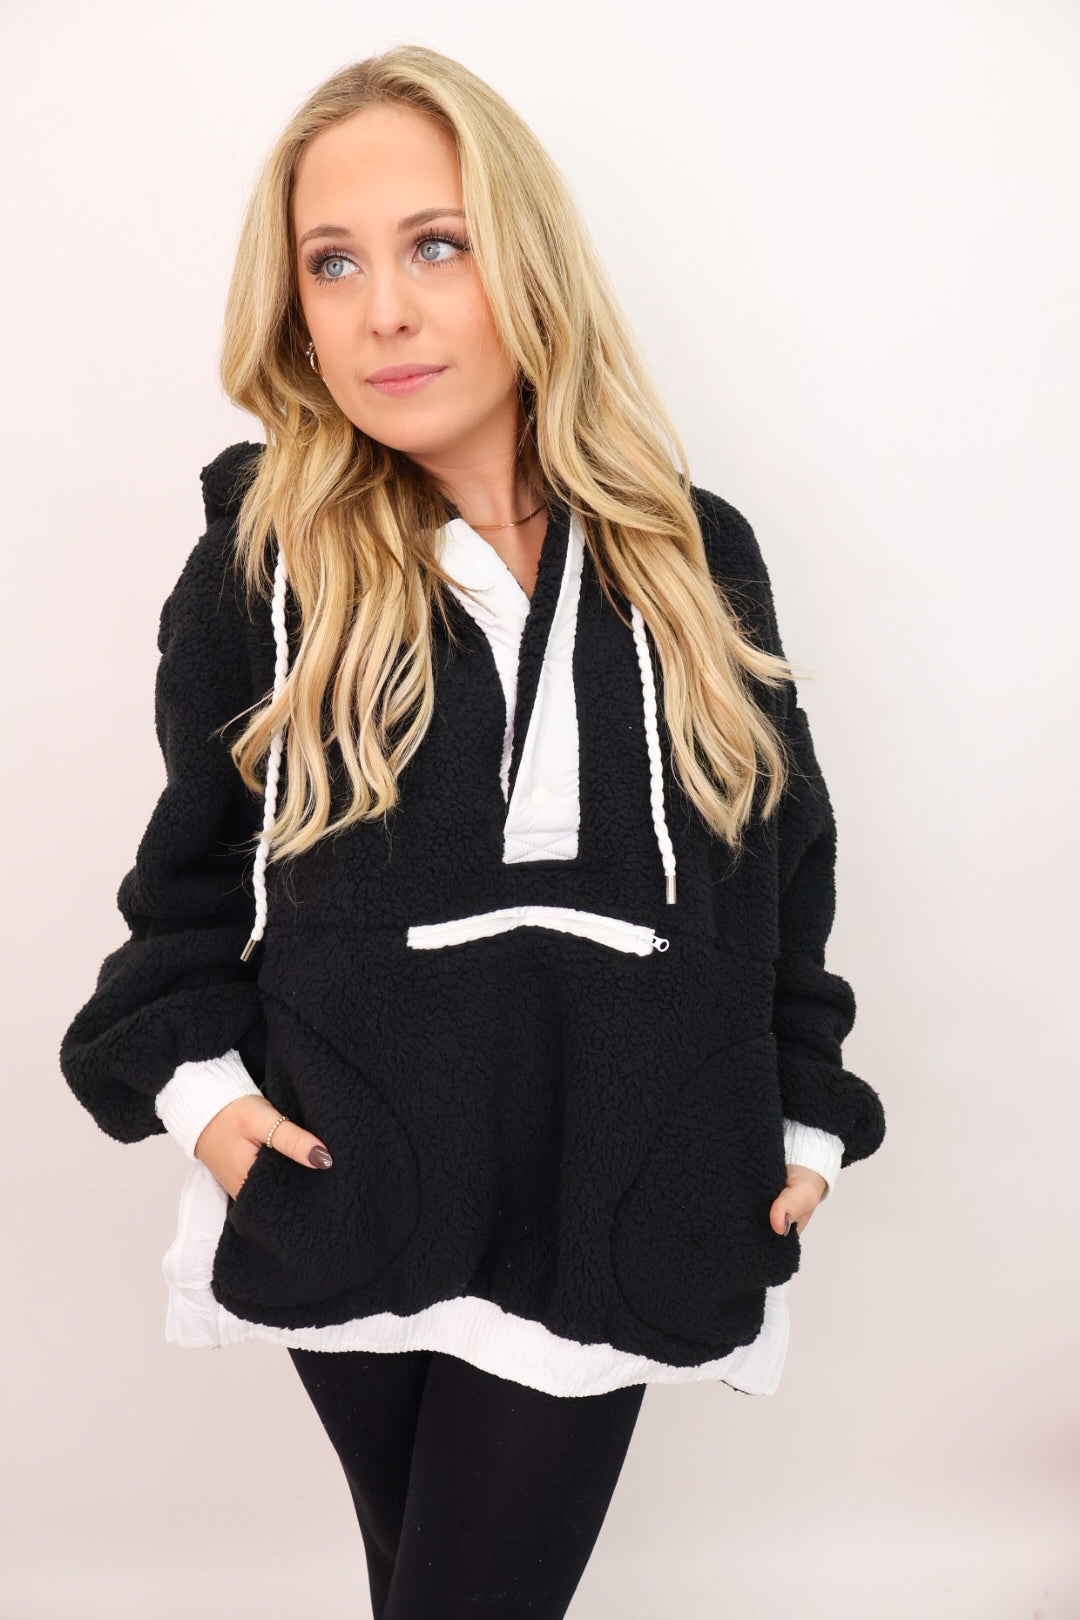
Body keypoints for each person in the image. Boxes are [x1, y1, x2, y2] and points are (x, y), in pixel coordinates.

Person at [59, 43, 886, 1620]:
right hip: (352, 1173)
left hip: (623, 1179)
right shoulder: (267, 559)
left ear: (528, 262)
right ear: (294, 307)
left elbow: (787, 866)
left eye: (436, 245)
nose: (384, 309)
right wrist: (204, 1101)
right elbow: (188, 886)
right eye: (333, 262)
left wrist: (802, 1116)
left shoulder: (693, 554)